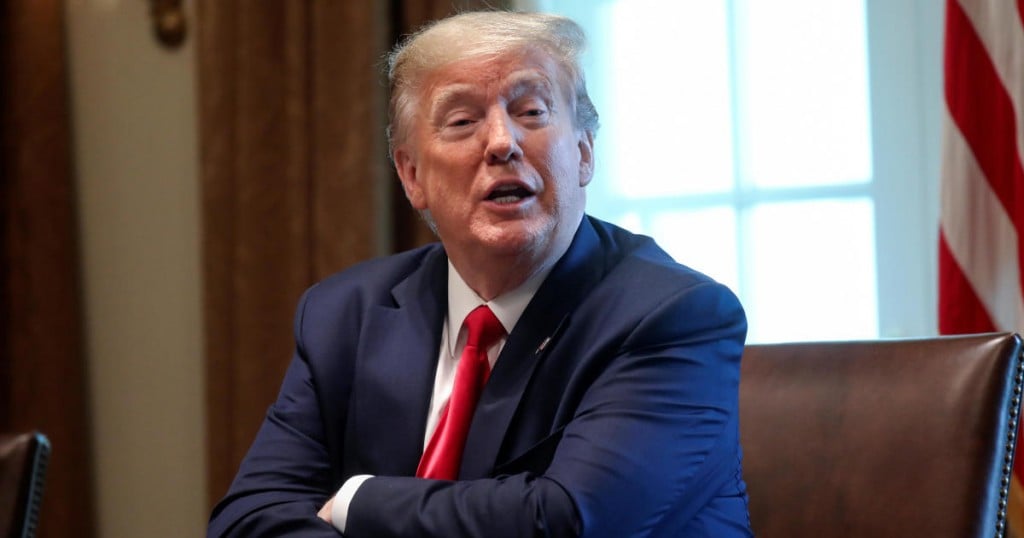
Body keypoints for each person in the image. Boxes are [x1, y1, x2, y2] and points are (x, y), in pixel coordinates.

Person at [208, 10, 751, 537]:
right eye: (463, 121)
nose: (501, 143)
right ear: (412, 174)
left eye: (532, 112)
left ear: (584, 152)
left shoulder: (675, 316)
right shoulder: (345, 313)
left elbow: (566, 521)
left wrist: (357, 499)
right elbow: (249, 517)